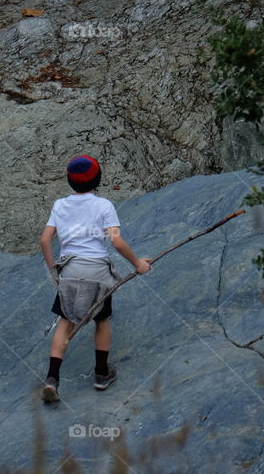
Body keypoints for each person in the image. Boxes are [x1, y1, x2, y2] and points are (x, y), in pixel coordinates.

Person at [39, 155, 152, 402]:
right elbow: (116, 241)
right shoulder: (104, 206)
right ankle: (101, 374)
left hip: (68, 270)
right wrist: (138, 264)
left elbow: (45, 240)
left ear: (69, 181)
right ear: (98, 179)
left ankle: (52, 379)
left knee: (65, 322)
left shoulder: (59, 205)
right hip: (97, 272)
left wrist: (53, 271)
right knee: (102, 320)